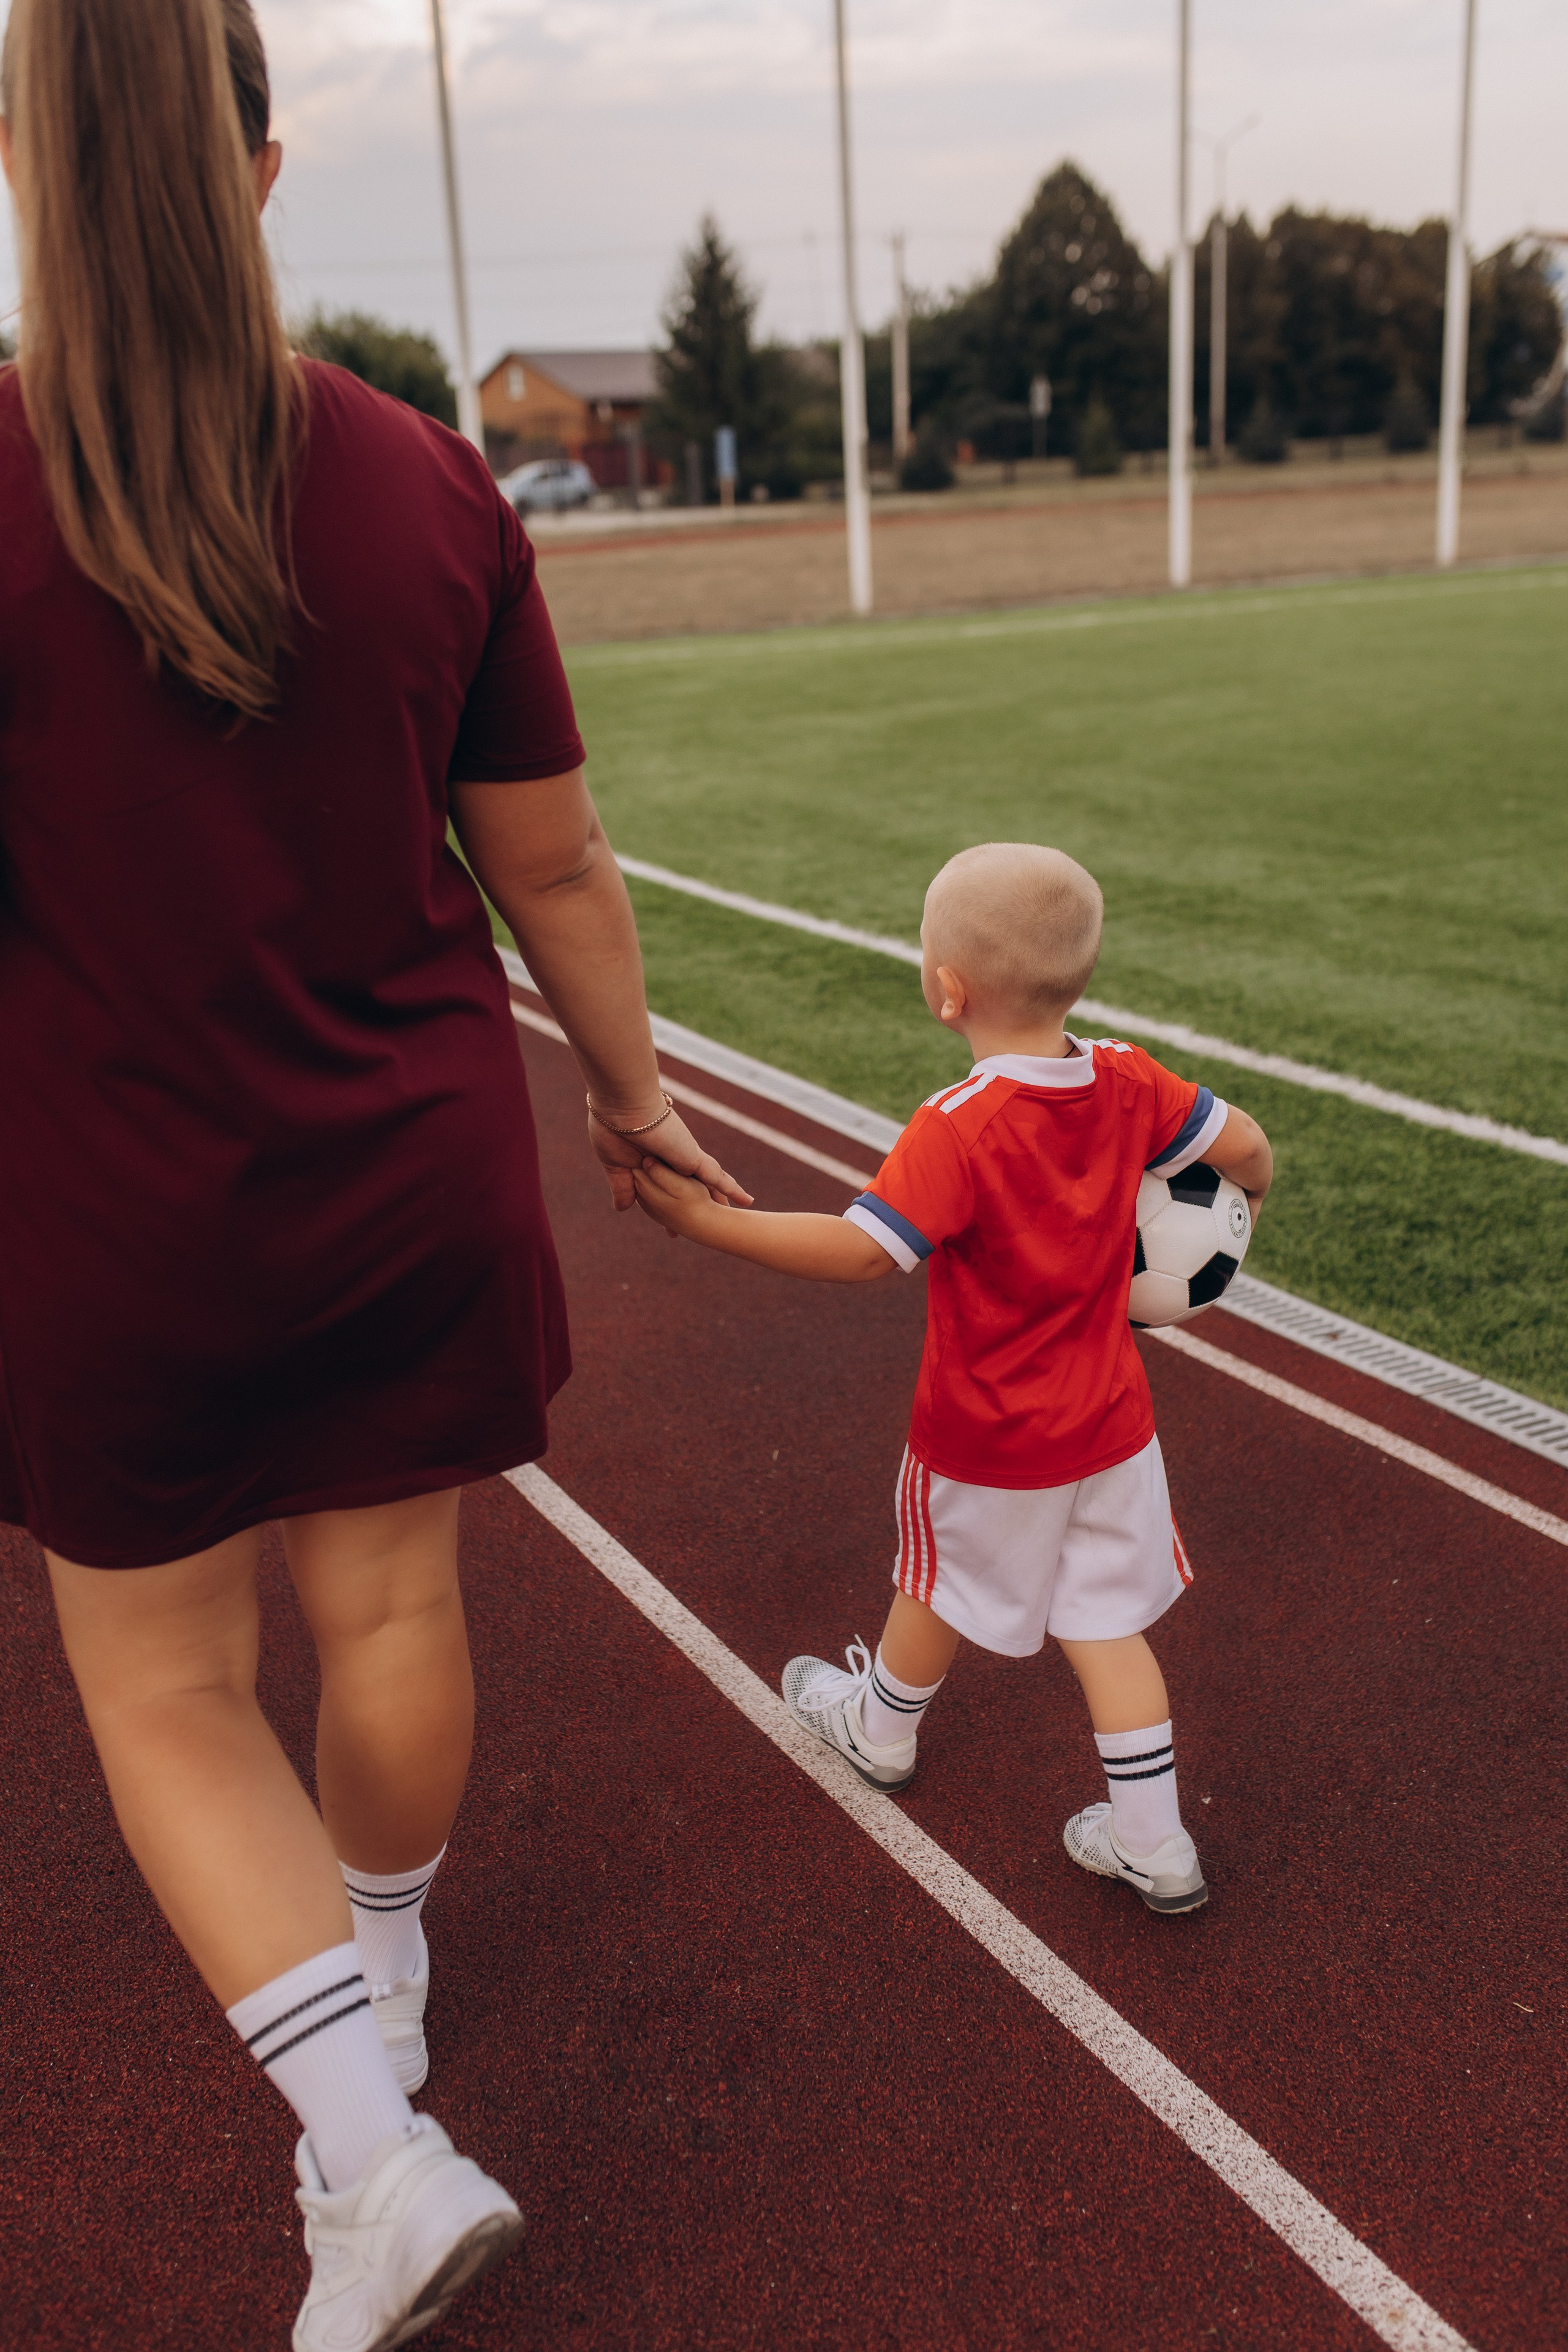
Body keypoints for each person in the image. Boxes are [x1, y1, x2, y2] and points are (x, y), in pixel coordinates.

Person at [0, 2, 744, 2343]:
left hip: (104, 1203)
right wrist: (628, 1097)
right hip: (413, 1174)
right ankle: (382, 1981)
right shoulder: (436, 480)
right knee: (392, 1616)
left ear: (26, 169)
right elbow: (562, 867)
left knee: (164, 1685)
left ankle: (371, 2141)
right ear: (263, 162)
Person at [633, 842, 1272, 1916]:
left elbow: (862, 1251)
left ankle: (880, 1729)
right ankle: (1156, 1844)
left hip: (988, 1436)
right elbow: (1247, 1150)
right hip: (1114, 1429)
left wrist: (707, 1223)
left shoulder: (959, 1124)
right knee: (1106, 1626)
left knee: (935, 1580)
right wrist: (1216, 1257)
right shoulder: (1127, 1078)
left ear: (948, 990)